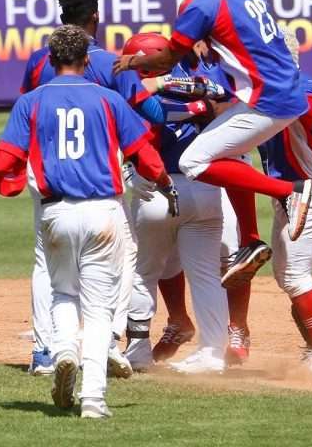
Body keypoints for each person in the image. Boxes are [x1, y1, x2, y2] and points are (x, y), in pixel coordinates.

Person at [0, 25, 176, 418]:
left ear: (51, 60)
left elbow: (2, 160)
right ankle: (93, 399)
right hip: (103, 211)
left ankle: (64, 351)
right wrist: (163, 179)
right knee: (101, 306)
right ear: (87, 59)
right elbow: (147, 157)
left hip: (56, 212)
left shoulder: (32, 101)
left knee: (62, 293)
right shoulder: (107, 98)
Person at [113, 0, 312, 287]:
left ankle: (287, 191)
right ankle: (250, 239)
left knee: (194, 162)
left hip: (266, 98)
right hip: (288, 91)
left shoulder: (204, 2)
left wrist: (132, 61)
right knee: (230, 152)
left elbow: (164, 60)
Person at [19, 0, 162, 377]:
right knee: (122, 253)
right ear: (95, 16)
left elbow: (28, 109)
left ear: (61, 14)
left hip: (46, 171)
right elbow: (152, 113)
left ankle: (45, 351)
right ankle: (108, 342)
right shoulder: (112, 63)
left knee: (45, 260)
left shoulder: (38, 61)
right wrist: (160, 84)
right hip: (101, 172)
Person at [226, 29, 312, 371]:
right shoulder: (260, 93)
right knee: (287, 276)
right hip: (287, 195)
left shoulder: (304, 85)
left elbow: (307, 109)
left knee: (294, 276)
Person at [121, 32, 229, 373]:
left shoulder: (130, 97)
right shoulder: (202, 85)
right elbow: (219, 102)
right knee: (207, 276)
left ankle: (137, 351)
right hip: (207, 188)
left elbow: (145, 118)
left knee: (143, 275)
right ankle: (213, 353)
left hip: (157, 190)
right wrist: (198, 105)